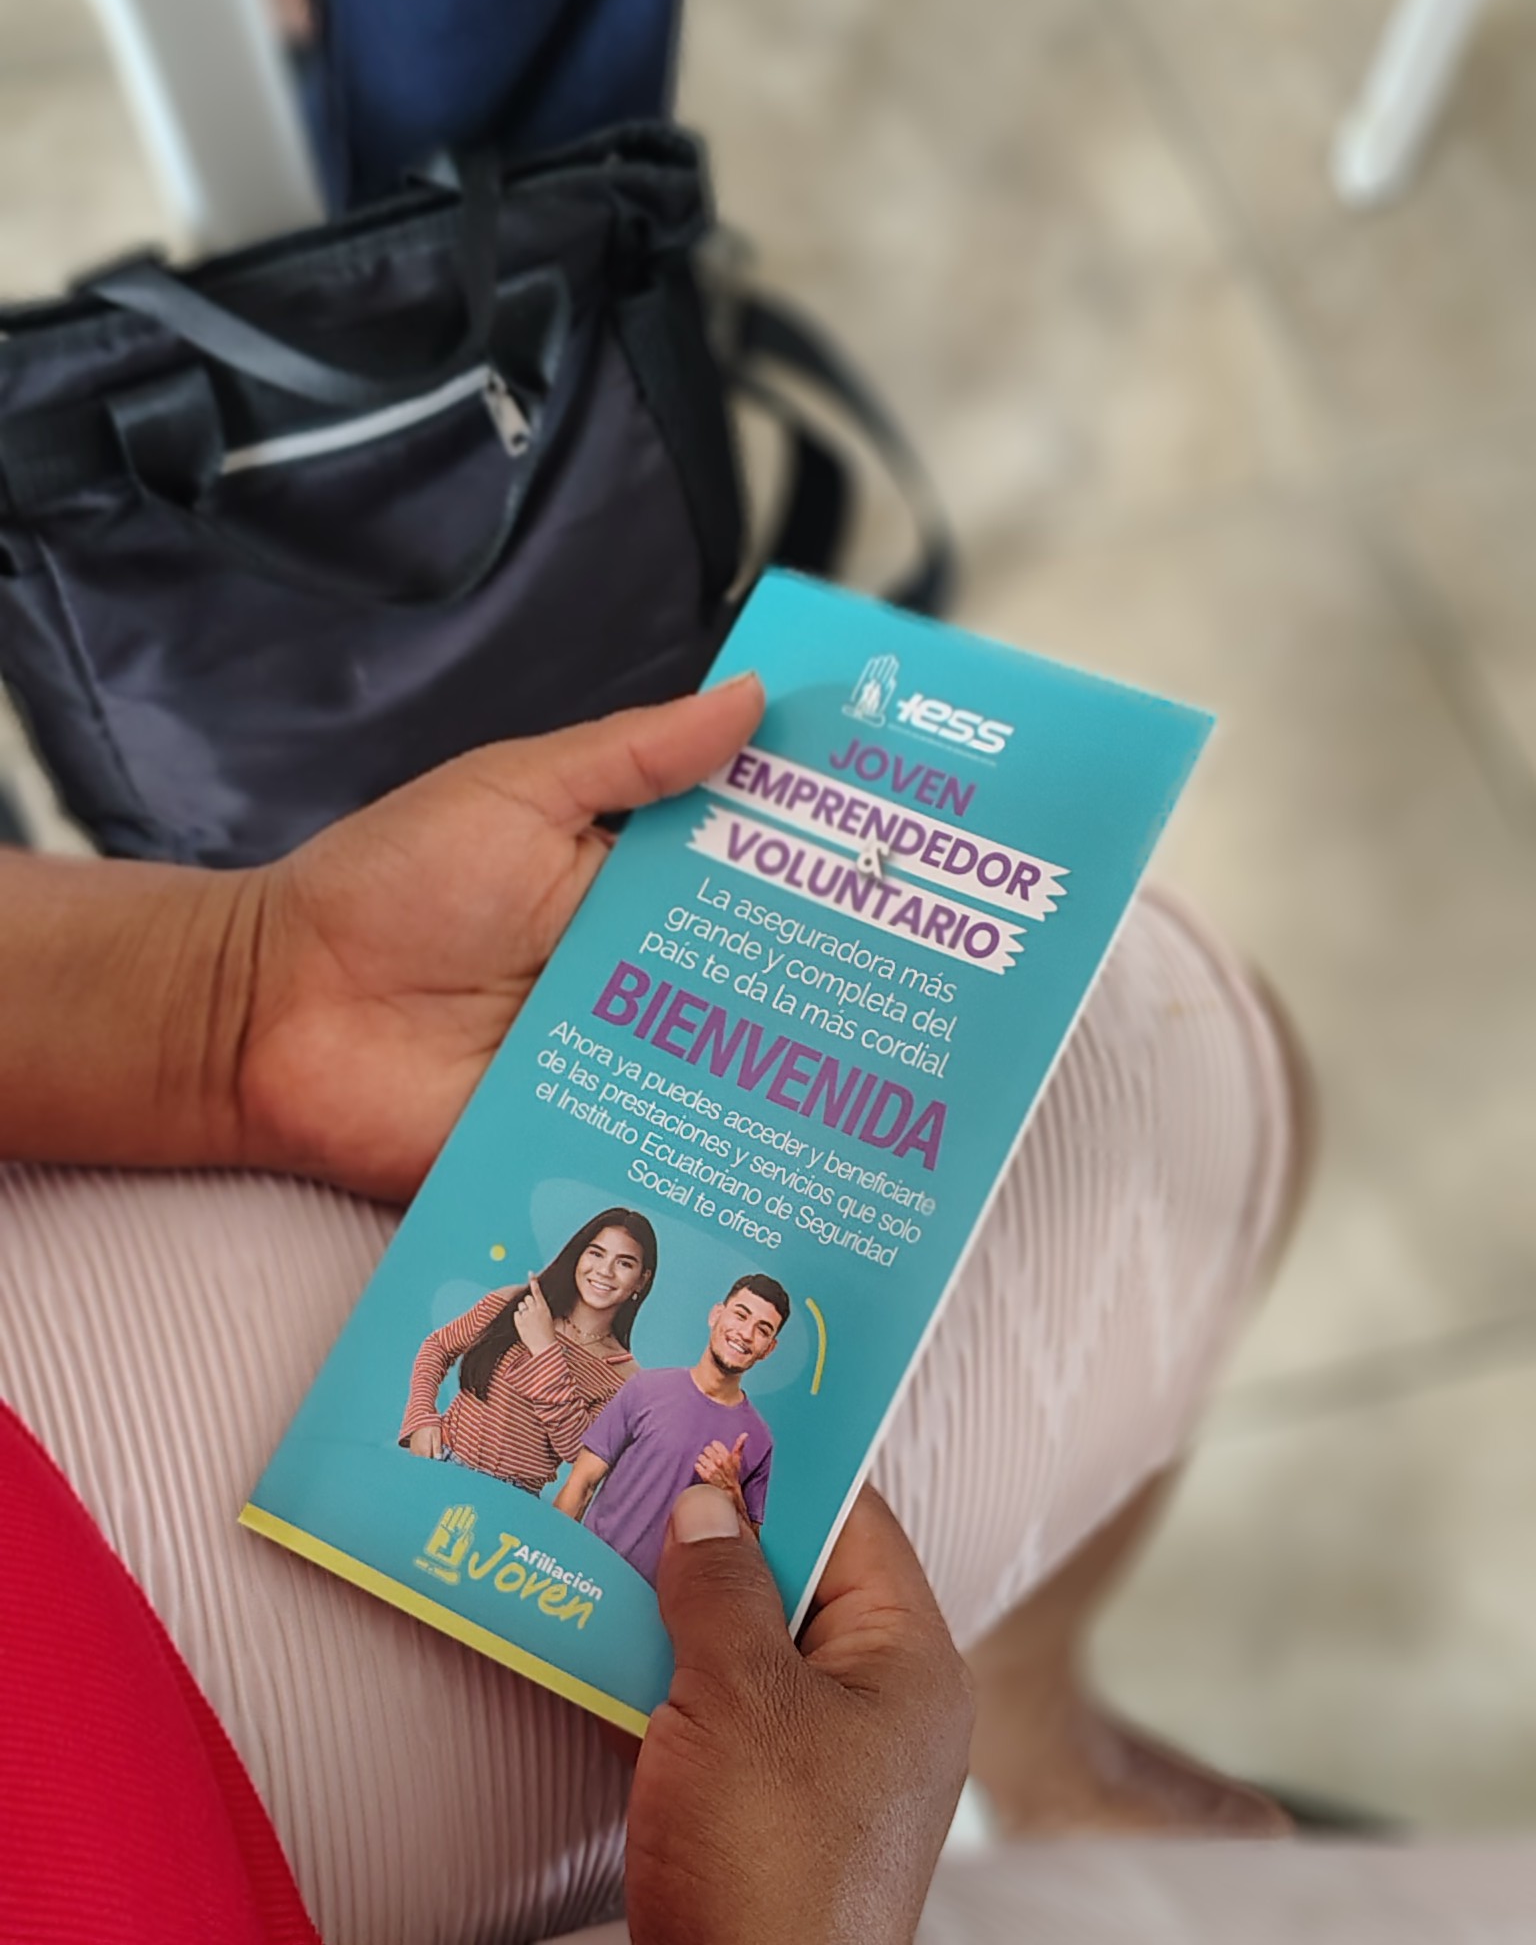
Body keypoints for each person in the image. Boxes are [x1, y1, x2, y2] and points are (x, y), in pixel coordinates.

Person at [0, 674, 1305, 1944]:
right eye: (614, 1261)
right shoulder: (572, 1344)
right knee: (1193, 1079)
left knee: (1171, 1061)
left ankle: (1030, 1709)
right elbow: (511, 1416)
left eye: (638, 1270)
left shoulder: (632, 1374)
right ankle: (1034, 1730)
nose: (622, 1277)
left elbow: (560, 1452)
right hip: (156, 1781)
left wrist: (238, 993)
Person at [399, 1207, 656, 1495]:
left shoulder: (625, 1377)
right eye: (596, 1253)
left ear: (641, 1280)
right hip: (440, 1461)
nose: (604, 1271)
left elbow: (576, 1449)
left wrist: (545, 1350)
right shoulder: (518, 1303)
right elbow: (437, 1347)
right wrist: (421, 1418)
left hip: (512, 1499)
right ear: (578, 1255)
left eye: (624, 1263)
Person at [555, 1273, 786, 1582]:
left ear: (769, 1349)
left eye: (762, 1330)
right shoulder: (644, 1388)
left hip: (661, 1603)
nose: (745, 1333)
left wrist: (731, 1493)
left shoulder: (758, 1440)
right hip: (585, 1578)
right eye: (740, 1315)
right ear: (716, 1315)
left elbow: (744, 1559)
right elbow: (581, 1483)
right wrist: (550, 1560)